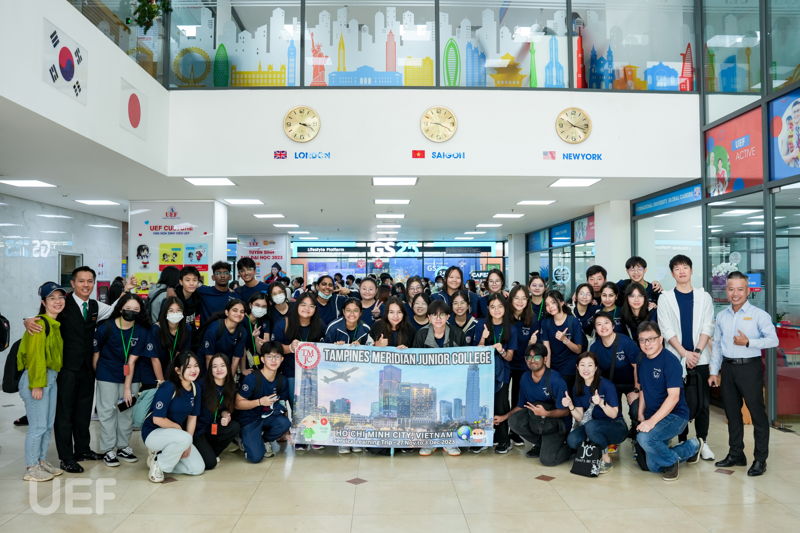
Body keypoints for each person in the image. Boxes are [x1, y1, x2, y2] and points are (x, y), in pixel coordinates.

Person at [24, 267, 134, 474]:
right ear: (73, 284)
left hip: (87, 368)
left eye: (90, 281)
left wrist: (126, 291)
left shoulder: (94, 306)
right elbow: (42, 318)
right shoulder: (62, 303)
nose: (86, 285)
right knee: (65, 413)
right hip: (65, 368)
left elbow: (114, 309)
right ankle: (66, 457)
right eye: (81, 281)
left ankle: (83, 450)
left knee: (83, 411)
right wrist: (27, 320)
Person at [709, 271, 778, 477]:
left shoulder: (759, 315)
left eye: (740, 289)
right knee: (732, 413)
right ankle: (736, 454)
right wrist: (714, 371)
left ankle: (760, 459)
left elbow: (773, 340)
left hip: (750, 368)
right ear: (726, 290)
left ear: (748, 291)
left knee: (757, 414)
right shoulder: (721, 316)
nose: (735, 293)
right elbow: (717, 346)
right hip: (728, 368)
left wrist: (749, 342)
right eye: (731, 289)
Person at [658, 255, 715, 461]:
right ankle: (683, 440)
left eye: (685, 267)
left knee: (703, 402)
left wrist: (696, 352)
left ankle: (702, 441)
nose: (681, 271)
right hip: (676, 358)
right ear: (672, 273)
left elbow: (708, 325)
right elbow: (666, 329)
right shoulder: (665, 298)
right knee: (679, 401)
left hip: (700, 358)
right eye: (677, 268)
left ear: (691, 270)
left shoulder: (704, 297)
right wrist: (684, 353)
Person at [93, 293, 155, 467]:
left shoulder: (142, 331)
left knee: (126, 410)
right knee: (107, 411)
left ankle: (122, 446)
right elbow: (96, 354)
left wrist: (127, 388)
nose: (131, 312)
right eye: (128, 308)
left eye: (136, 309)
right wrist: (98, 374)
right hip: (107, 374)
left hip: (131, 375)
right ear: (120, 309)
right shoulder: (106, 327)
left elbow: (132, 361)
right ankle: (108, 449)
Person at [635, 321, 700, 481]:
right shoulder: (641, 360)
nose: (646, 344)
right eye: (642, 340)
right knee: (653, 466)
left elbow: (674, 397)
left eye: (651, 339)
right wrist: (641, 413)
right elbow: (643, 388)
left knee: (644, 438)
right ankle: (692, 446)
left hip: (675, 416)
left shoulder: (670, 362)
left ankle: (672, 461)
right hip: (653, 415)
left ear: (660, 339)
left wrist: (651, 422)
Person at [17, 282, 65, 482]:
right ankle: (31, 467)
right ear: (44, 302)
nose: (57, 301)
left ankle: (41, 461)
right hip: (38, 379)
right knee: (37, 426)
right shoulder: (39, 324)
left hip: (50, 378)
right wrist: (37, 384)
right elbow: (36, 356)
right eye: (52, 298)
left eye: (60, 297)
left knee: (47, 425)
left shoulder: (53, 324)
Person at [500, 343, 572, 466]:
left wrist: (546, 413)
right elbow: (521, 405)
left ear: (545, 359)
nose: (532, 360)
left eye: (537, 357)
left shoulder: (555, 380)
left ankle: (570, 448)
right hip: (538, 420)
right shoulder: (525, 378)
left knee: (548, 460)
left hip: (556, 424)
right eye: (528, 357)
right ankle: (541, 444)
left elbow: (566, 411)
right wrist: (504, 417)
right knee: (514, 421)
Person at [141, 351, 205, 483]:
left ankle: (158, 460)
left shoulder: (196, 388)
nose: (193, 370)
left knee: (197, 468)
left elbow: (192, 417)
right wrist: (179, 430)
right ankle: (158, 464)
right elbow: (157, 419)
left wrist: (188, 444)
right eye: (188, 367)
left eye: (196, 366)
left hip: (178, 436)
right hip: (153, 433)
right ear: (177, 370)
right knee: (185, 438)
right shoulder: (168, 387)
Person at [412, 300, 466, 456]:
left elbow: (465, 358)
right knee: (429, 413)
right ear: (428, 317)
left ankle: (450, 443)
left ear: (448, 316)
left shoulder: (457, 334)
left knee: (449, 414)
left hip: (452, 382)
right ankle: (429, 442)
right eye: (434, 315)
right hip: (429, 383)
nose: (438, 318)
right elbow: (413, 360)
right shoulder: (421, 334)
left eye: (442, 315)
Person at [564, 352, 628, 474]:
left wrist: (601, 403)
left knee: (591, 426)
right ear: (577, 367)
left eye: (590, 365)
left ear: (596, 367)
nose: (586, 369)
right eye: (582, 365)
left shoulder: (607, 385)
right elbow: (579, 417)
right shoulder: (577, 387)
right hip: (593, 426)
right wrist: (571, 405)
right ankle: (597, 447)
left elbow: (614, 414)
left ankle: (606, 460)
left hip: (616, 426)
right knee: (572, 440)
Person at [273, 292, 325, 427]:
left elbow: (325, 348)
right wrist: (290, 348)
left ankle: (311, 432)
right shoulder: (283, 323)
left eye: (311, 306)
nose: (307, 309)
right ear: (296, 306)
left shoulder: (319, 325)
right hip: (291, 373)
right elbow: (274, 349)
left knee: (313, 407)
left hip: (313, 375)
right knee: (296, 407)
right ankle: (299, 432)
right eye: (303, 305)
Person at [235, 341, 292, 462]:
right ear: (262, 359)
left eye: (277, 357)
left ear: (282, 359)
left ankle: (264, 440)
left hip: (268, 417)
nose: (273, 360)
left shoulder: (282, 380)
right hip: (250, 419)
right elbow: (238, 404)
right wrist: (259, 402)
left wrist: (285, 431)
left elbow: (283, 404)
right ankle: (244, 438)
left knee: (285, 423)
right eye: (269, 356)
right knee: (255, 458)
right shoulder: (252, 378)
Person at [589, 311, 640, 445]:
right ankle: (616, 435)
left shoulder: (625, 342)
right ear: (595, 329)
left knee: (636, 410)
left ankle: (637, 434)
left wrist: (636, 390)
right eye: (599, 324)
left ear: (613, 325)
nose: (603, 327)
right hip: (612, 386)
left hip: (631, 383)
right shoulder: (595, 348)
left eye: (606, 323)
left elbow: (637, 366)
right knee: (612, 414)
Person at [474, 293, 516, 454]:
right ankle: (482, 438)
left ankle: (503, 439)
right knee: (482, 404)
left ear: (505, 308)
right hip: (483, 373)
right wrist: (483, 339)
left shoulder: (511, 328)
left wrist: (501, 350)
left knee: (500, 404)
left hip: (502, 372)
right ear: (488, 309)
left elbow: (510, 357)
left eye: (500, 306)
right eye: (492, 307)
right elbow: (476, 352)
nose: (496, 310)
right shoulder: (481, 325)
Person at [194, 353, 241, 470]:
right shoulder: (201, 385)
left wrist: (226, 415)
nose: (219, 369)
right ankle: (202, 451)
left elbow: (224, 408)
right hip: (199, 430)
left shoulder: (230, 386)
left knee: (234, 426)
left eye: (222, 365)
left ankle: (210, 452)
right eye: (215, 366)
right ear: (210, 369)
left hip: (213, 427)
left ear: (228, 367)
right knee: (210, 464)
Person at [507, 285, 540, 446]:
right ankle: (500, 431)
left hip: (523, 365)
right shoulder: (504, 316)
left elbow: (535, 347)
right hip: (506, 363)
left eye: (523, 298)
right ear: (511, 299)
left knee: (518, 398)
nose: (520, 302)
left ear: (528, 300)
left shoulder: (532, 319)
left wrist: (531, 344)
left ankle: (514, 432)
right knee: (502, 399)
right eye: (516, 298)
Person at [541, 290, 584, 391]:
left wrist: (565, 340)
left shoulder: (573, 321)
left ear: (561, 302)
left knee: (565, 395)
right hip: (554, 366)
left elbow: (578, 350)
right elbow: (547, 350)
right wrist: (547, 371)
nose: (550, 307)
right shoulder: (546, 323)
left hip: (569, 368)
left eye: (553, 302)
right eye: (547, 304)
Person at [198, 299, 248, 373]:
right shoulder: (214, 329)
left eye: (242, 312)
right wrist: (212, 378)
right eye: (235, 310)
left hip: (225, 365)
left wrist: (230, 378)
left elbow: (236, 358)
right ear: (227, 312)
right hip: (207, 366)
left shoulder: (242, 332)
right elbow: (209, 357)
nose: (238, 314)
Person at [151, 297, 193, 378]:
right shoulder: (156, 330)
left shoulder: (187, 329)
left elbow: (183, 354)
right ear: (165, 312)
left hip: (175, 371)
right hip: (155, 372)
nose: (175, 313)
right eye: (171, 311)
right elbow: (154, 358)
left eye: (178, 310)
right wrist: (161, 381)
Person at [242, 293, 270, 375]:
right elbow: (240, 347)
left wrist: (256, 338)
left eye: (264, 306)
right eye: (257, 305)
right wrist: (243, 368)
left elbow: (260, 350)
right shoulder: (242, 319)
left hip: (259, 362)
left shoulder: (265, 321)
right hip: (242, 361)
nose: (260, 309)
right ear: (250, 305)